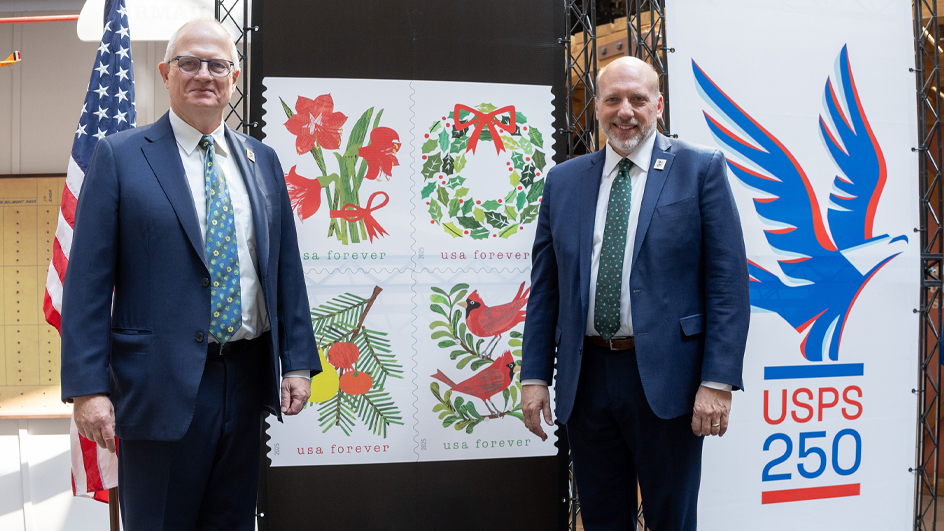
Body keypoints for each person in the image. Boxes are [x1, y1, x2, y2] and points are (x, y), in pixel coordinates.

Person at [60, 18, 320, 530]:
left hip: (245, 381)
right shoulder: (120, 156)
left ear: (235, 77)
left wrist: (296, 361)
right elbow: (87, 283)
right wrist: (88, 388)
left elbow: (285, 269)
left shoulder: (261, 160)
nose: (205, 74)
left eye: (217, 64)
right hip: (157, 387)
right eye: (190, 63)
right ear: (166, 72)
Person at [521, 56, 749, 531]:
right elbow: (546, 290)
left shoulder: (700, 169)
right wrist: (535, 375)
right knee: (601, 520)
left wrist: (718, 381)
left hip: (671, 384)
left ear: (658, 105)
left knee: (672, 519)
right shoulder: (563, 182)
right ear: (598, 108)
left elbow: (727, 284)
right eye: (612, 99)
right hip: (587, 381)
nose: (625, 110)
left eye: (638, 99)